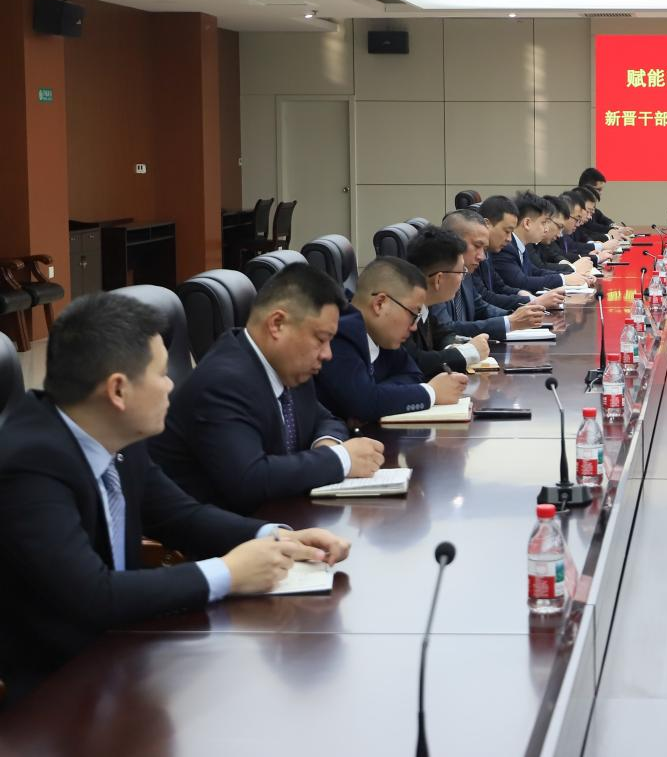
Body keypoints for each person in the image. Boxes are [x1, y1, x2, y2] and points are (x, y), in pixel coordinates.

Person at [0, 293, 351, 701]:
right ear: (118, 390)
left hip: (124, 655)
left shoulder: (117, 434)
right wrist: (228, 572)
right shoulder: (30, 462)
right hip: (52, 691)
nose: (171, 385)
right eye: (162, 374)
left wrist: (275, 537)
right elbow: (92, 595)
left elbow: (182, 517)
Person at [151, 264, 386, 514]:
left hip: (283, 518)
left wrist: (327, 444)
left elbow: (327, 419)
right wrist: (340, 459)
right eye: (321, 339)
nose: (327, 354)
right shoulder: (223, 382)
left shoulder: (288, 366)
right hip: (221, 529)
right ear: (277, 324)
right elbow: (250, 478)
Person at [315, 257, 469, 424]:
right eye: (413, 314)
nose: (414, 327)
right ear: (380, 303)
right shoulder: (338, 333)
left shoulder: (382, 335)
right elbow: (364, 405)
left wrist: (378, 393)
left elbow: (413, 375)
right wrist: (431, 392)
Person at [430, 209, 546, 339]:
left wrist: (515, 316)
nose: (482, 257)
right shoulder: (433, 277)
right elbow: (446, 329)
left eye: (484, 249)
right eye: (477, 246)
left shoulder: (466, 272)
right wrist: (509, 322)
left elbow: (481, 308)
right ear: (452, 242)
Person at [402, 227, 492, 378]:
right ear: (438, 279)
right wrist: (470, 351)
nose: (463, 278)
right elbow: (415, 362)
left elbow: (443, 333)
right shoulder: (401, 311)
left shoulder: (427, 304)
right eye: (461, 272)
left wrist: (454, 347)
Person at [477, 196, 565, 312]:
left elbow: (501, 286)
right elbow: (487, 297)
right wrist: (533, 302)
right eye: (507, 231)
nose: (509, 239)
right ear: (487, 224)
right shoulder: (497, 250)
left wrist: (522, 294)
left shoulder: (492, 252)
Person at [491, 191, 589, 293]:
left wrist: (569, 277)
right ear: (527, 223)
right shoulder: (506, 246)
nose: (546, 229)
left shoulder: (521, 245)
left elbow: (535, 271)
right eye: (543, 223)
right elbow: (521, 282)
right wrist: (563, 279)